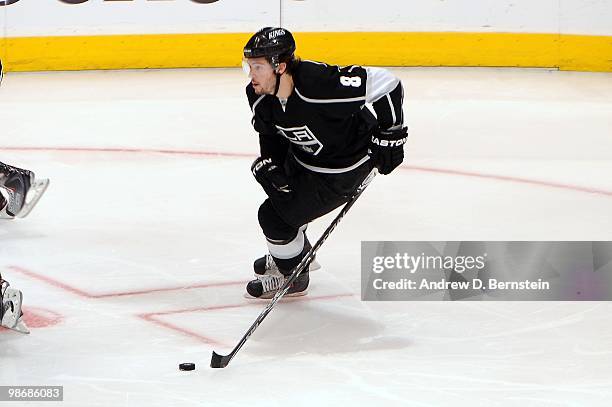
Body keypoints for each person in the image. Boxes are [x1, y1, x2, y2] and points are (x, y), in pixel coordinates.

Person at [242, 27, 408, 299]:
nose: (251, 75)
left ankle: (294, 276)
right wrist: (272, 162)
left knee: (273, 219)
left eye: (257, 67)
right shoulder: (258, 93)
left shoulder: (319, 85)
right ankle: (293, 251)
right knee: (275, 186)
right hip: (304, 158)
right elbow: (269, 130)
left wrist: (391, 134)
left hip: (341, 169)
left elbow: (387, 83)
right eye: (249, 66)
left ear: (280, 66)